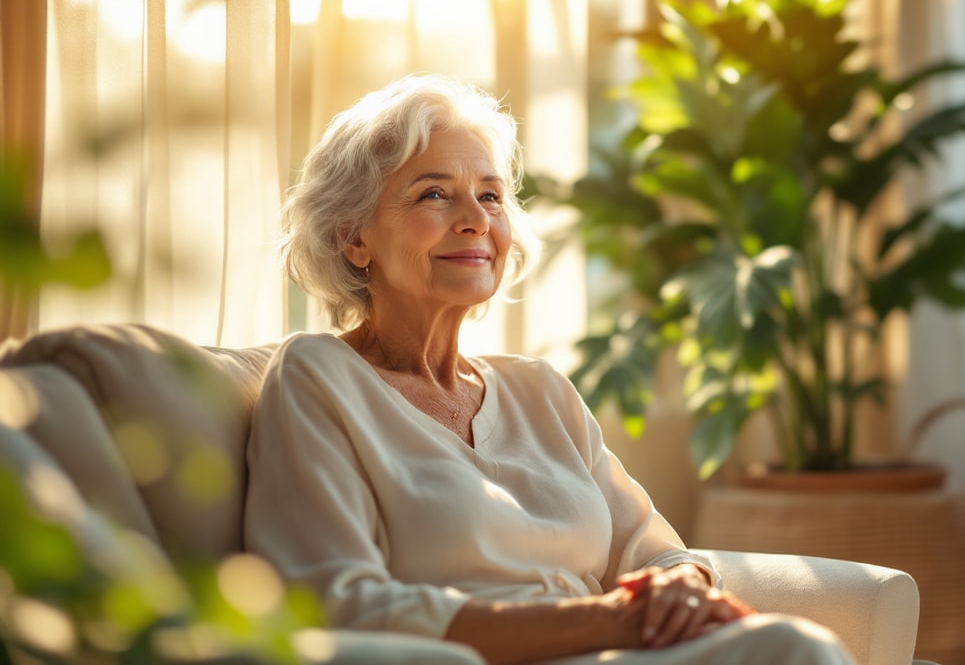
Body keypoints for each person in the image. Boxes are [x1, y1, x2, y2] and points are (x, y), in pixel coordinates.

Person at [243, 73, 855, 665]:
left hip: (617, 649)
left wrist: (683, 585)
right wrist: (609, 620)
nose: (477, 220)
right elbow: (335, 603)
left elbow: (656, 552)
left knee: (796, 647)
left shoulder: (539, 390)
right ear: (354, 238)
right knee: (797, 651)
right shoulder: (317, 375)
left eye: (490, 195)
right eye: (434, 193)